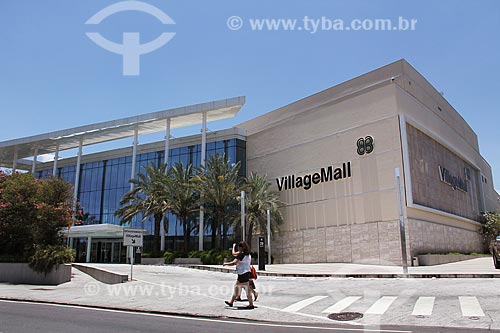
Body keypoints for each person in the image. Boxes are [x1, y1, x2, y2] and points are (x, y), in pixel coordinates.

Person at [223, 241, 255, 309]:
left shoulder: (241, 255)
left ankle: (251, 304)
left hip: (243, 273)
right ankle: (231, 302)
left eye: (239, 247)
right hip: (246, 272)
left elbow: (234, 262)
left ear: (241, 247)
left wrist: (226, 264)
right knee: (237, 287)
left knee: (244, 289)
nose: (238, 248)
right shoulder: (248, 254)